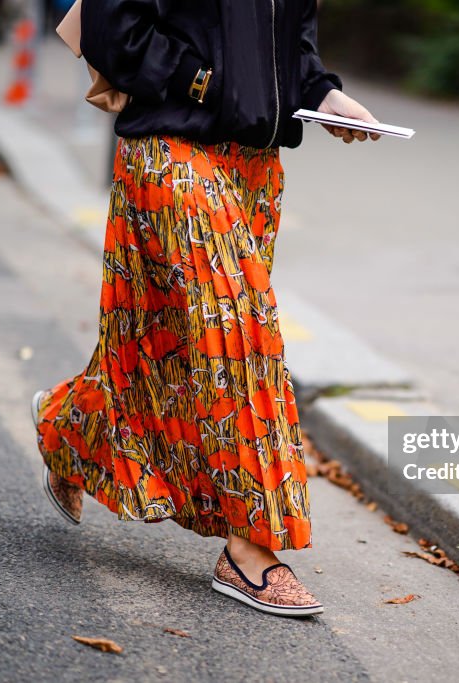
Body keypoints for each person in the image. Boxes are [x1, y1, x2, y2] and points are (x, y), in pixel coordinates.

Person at [31, 0, 378, 617]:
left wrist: (326, 97)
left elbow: (292, 44)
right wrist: (210, 85)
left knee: (160, 352)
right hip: (171, 151)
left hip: (254, 166)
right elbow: (117, 32)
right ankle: (251, 548)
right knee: (240, 341)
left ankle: (74, 428)